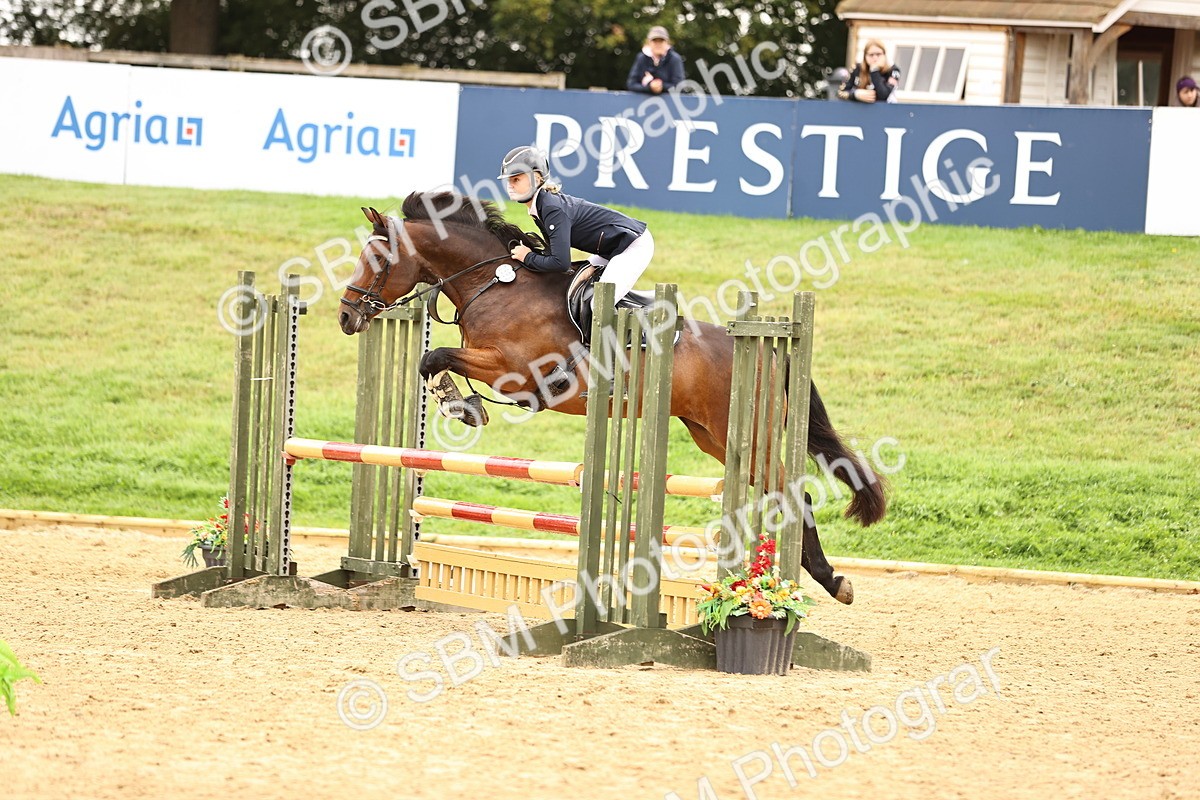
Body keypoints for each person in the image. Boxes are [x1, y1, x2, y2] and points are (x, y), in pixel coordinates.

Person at [499, 146, 652, 307]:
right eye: (508, 180)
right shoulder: (540, 206)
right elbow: (552, 254)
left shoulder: (551, 208)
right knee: (573, 290)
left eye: (516, 179)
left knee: (599, 305)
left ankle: (640, 330)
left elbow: (561, 263)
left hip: (632, 245)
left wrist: (527, 257)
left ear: (536, 179)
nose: (510, 185)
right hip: (611, 248)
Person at [626, 26, 684, 95]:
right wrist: (649, 87)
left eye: (661, 41)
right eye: (654, 41)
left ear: (667, 42)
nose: (658, 44)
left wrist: (661, 86)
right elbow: (631, 84)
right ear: (649, 42)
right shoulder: (641, 58)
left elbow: (679, 87)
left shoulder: (675, 59)